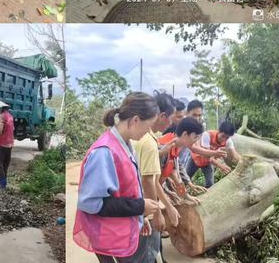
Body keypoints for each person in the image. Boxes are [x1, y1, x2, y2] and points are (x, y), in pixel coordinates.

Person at [73, 92, 161, 263]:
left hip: (119, 230)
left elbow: (129, 188)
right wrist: (139, 206)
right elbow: (90, 203)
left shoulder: (127, 145)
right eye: (149, 125)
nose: (149, 132)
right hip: (106, 234)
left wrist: (139, 217)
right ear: (135, 120)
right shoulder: (104, 152)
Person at [133, 92, 180, 263]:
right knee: (147, 253)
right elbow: (148, 180)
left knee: (148, 250)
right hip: (145, 207)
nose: (171, 122)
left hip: (136, 205)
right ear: (161, 116)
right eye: (171, 118)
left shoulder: (141, 138)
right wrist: (157, 212)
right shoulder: (149, 142)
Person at [157, 117, 206, 203]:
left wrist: (189, 185)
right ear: (185, 134)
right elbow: (151, 181)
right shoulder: (163, 149)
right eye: (195, 137)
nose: (196, 141)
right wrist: (166, 196)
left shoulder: (175, 148)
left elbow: (177, 171)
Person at [187, 121, 242, 188]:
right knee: (185, 178)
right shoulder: (207, 135)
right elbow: (206, 155)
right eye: (223, 136)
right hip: (195, 159)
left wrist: (244, 161)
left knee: (210, 184)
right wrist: (220, 165)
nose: (224, 139)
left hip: (207, 163)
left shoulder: (228, 141)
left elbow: (234, 154)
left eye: (227, 137)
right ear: (219, 131)